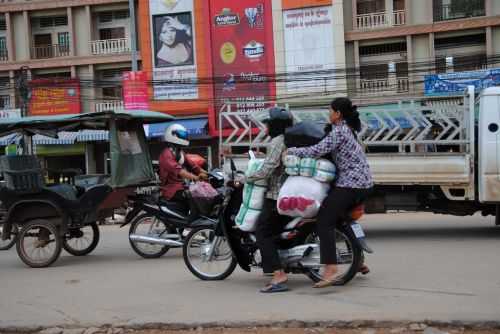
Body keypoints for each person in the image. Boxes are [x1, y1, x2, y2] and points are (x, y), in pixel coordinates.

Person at [287, 97, 373, 288]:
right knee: (339, 220)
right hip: (363, 184)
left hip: (351, 184)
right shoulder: (350, 130)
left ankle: (331, 268)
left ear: (338, 114)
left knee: (324, 220)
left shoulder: (339, 131)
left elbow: (317, 150)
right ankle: (357, 260)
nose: (329, 114)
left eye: (330, 110)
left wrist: (292, 151)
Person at [246, 107, 294, 293]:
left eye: (267, 123)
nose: (265, 126)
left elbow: (269, 168)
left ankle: (278, 274)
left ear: (275, 125)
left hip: (276, 196)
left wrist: (247, 178)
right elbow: (275, 162)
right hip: (287, 193)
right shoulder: (287, 140)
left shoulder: (277, 141)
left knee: (262, 231)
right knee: (272, 231)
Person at [158, 124, 207, 203]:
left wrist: (207, 174)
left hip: (182, 187)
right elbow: (180, 171)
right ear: (172, 135)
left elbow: (193, 166)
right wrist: (196, 178)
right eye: (181, 134)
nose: (184, 137)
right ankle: (193, 216)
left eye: (184, 135)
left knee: (204, 194)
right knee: (198, 198)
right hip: (172, 190)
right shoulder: (166, 154)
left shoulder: (180, 152)